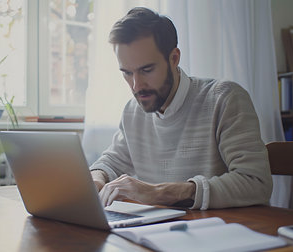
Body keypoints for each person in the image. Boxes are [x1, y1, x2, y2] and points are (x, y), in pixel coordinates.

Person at [89, 7, 272, 210]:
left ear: (174, 58)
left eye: (146, 70)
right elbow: (109, 163)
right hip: (157, 234)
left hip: (221, 231)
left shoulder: (225, 98)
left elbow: (257, 183)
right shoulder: (133, 111)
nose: (136, 85)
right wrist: (96, 179)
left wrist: (164, 192)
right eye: (127, 73)